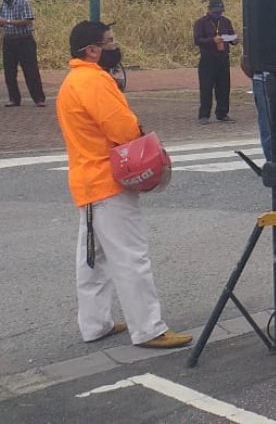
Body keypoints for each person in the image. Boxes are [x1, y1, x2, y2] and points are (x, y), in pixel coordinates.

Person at [56, 20, 192, 349]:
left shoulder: (73, 81)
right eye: (110, 41)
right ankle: (148, 328)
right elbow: (123, 129)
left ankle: (95, 323)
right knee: (132, 256)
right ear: (92, 50)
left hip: (86, 181)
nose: (115, 47)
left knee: (92, 260)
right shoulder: (96, 81)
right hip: (109, 181)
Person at [193, 0, 239, 124]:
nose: (218, 14)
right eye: (215, 12)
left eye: (220, 12)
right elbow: (197, 40)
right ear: (209, 10)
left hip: (223, 58)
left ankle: (222, 113)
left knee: (224, 88)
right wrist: (212, 40)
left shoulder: (226, 21)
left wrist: (234, 40)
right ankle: (204, 115)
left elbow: (231, 36)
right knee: (206, 88)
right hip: (208, 59)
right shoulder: (201, 23)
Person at [1, 0, 46, 107]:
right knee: (9, 71)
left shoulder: (23, 3)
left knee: (30, 70)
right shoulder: (2, 6)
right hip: (9, 40)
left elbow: (27, 21)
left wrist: (7, 21)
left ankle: (39, 99)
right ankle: (14, 99)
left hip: (24, 40)